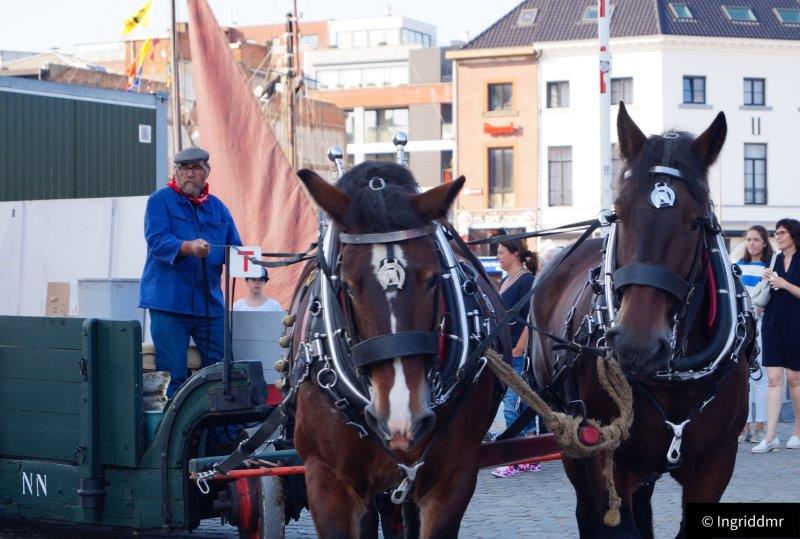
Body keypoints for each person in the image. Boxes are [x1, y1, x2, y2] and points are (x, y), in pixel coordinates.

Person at [139, 147, 242, 397]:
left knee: (222, 371)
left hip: (209, 305)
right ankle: (174, 422)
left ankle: (219, 422)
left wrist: (257, 268)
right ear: (175, 172)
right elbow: (157, 241)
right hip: (169, 304)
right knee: (172, 375)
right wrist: (187, 247)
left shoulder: (218, 208)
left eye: (195, 168)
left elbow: (236, 249)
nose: (189, 173)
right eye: (184, 168)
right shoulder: (159, 201)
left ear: (207, 172)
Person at [491, 238, 540, 478]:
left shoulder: (527, 281)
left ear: (515, 254)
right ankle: (531, 458)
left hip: (516, 354)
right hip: (505, 352)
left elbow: (531, 318)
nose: (498, 256)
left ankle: (513, 460)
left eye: (501, 252)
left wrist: (519, 348)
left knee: (512, 405)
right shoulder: (506, 280)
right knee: (521, 403)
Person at [753, 218, 800, 453]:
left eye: (782, 233)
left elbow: (789, 289)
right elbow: (769, 291)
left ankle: (798, 431)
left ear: (793, 235)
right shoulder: (774, 259)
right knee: (773, 380)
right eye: (776, 233)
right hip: (772, 323)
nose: (777, 237)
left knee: (794, 379)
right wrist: (768, 279)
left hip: (796, 324)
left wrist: (784, 283)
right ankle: (770, 436)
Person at [736, 225, 773, 444]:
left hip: (761, 326)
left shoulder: (769, 267)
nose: (752, 243)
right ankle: (745, 425)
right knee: (744, 376)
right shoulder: (737, 266)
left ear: (764, 243)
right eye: (749, 239)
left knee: (761, 375)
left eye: (756, 239)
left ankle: (760, 424)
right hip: (741, 327)